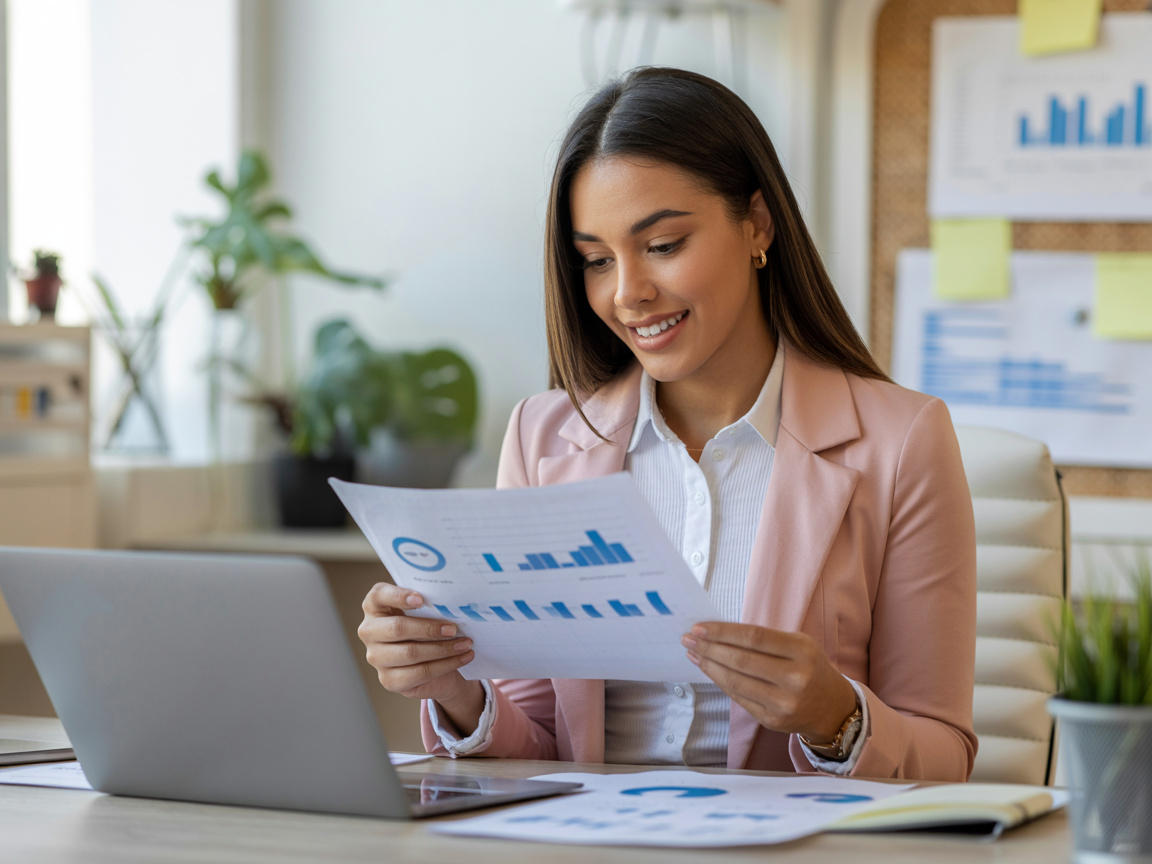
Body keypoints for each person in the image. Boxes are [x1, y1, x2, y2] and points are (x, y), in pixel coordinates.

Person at [358, 67, 977, 780]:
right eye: (596, 260)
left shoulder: (902, 442)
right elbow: (541, 746)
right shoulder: (542, 438)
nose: (628, 293)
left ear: (757, 223)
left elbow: (946, 758)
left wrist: (835, 717)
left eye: (662, 245)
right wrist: (453, 690)